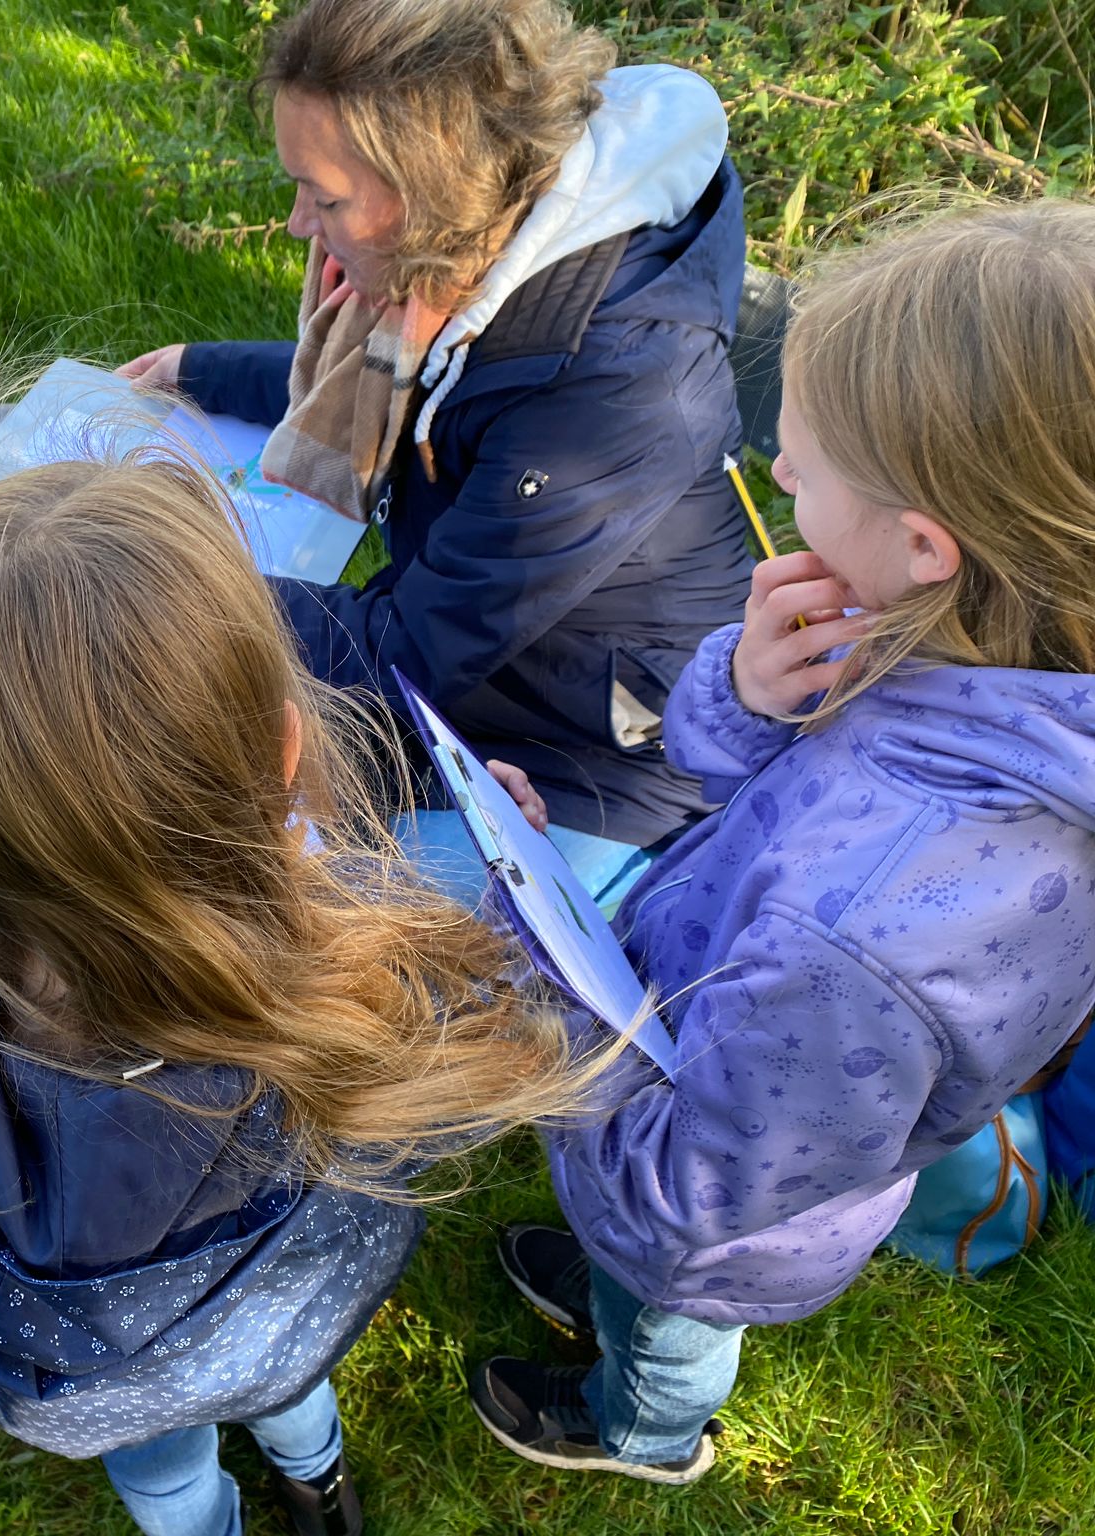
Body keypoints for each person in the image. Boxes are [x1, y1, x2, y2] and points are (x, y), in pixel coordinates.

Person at [0, 454, 617, 1536]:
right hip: (279, 1331)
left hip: (86, 1391)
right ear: (282, 750)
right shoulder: (374, 989)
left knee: (165, 1471)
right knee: (283, 1394)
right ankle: (315, 1478)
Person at [469, 201, 1095, 1483]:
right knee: (631, 1269)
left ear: (925, 545)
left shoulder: (856, 938)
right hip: (744, 1050)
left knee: (664, 1305)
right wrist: (746, 696)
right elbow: (748, 791)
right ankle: (608, 1302)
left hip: (729, 1208)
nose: (776, 481)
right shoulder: (981, 653)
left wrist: (539, 960)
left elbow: (684, 1194)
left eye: (795, 469)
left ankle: (640, 1426)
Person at [120, 0, 752, 900]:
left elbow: (409, 647)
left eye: (327, 196)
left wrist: (156, 583)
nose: (300, 223)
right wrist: (199, 369)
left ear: (436, 189)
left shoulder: (615, 386)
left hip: (595, 772)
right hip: (482, 681)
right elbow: (394, 386)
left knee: (241, 906)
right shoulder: (485, 258)